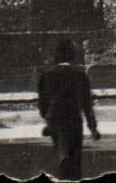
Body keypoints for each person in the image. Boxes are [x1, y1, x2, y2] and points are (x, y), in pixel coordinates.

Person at [37, 38, 100, 180]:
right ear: (73, 55)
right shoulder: (80, 75)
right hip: (73, 118)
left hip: (55, 118)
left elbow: (42, 103)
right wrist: (93, 128)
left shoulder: (46, 75)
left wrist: (47, 119)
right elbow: (87, 105)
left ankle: (63, 161)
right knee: (75, 158)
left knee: (60, 149)